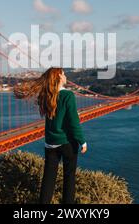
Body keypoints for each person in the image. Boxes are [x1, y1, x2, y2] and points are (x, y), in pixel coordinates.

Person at [13, 67, 87, 204]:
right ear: (59, 77)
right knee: (69, 178)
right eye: (64, 74)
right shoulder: (68, 95)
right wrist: (82, 141)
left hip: (50, 143)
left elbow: (57, 116)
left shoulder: (46, 95)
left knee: (48, 178)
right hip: (67, 143)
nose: (66, 77)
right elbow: (73, 122)